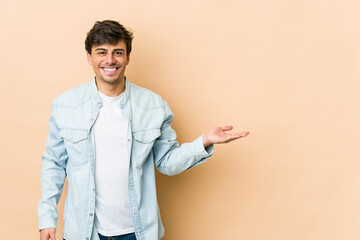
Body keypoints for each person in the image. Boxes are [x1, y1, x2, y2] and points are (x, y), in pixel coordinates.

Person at [38, 20, 249, 240]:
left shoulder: (154, 106)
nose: (110, 60)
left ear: (128, 57)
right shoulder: (66, 105)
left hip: (137, 233)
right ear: (89, 57)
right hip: (83, 232)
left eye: (117, 52)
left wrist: (203, 141)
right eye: (102, 52)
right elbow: (53, 163)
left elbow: (167, 162)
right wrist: (47, 220)